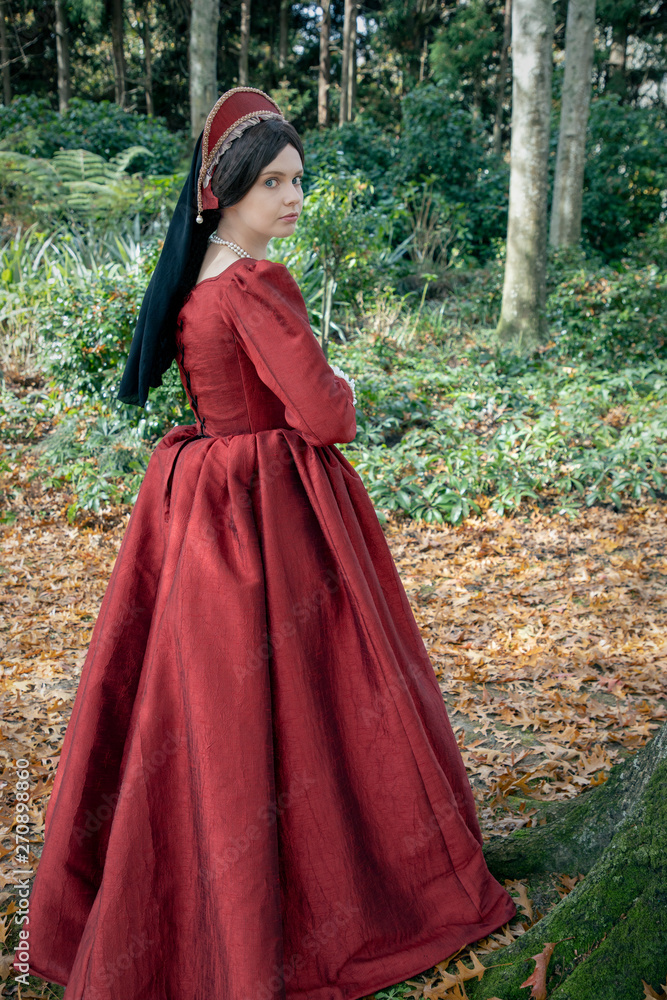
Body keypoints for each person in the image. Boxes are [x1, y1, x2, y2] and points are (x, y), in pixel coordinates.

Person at [14, 87, 516, 1000]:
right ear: (225, 191)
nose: (292, 197)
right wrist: (342, 386)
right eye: (274, 181)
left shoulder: (196, 275)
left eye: (298, 180)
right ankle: (321, 895)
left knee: (218, 701)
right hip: (267, 511)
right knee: (309, 689)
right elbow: (325, 416)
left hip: (201, 497)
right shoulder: (252, 280)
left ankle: (224, 900)